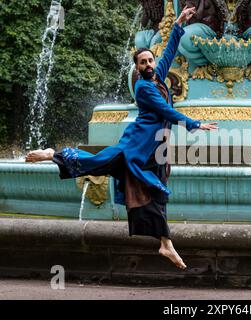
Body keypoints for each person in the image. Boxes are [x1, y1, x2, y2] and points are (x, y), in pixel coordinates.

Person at [25, 6, 218, 270]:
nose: (149, 65)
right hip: (133, 149)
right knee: (96, 164)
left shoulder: (158, 78)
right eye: (143, 62)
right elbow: (166, 112)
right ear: (137, 68)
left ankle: (165, 243)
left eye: (150, 61)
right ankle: (52, 154)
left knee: (157, 193)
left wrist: (179, 23)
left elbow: (169, 54)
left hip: (153, 153)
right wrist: (196, 124)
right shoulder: (143, 87)